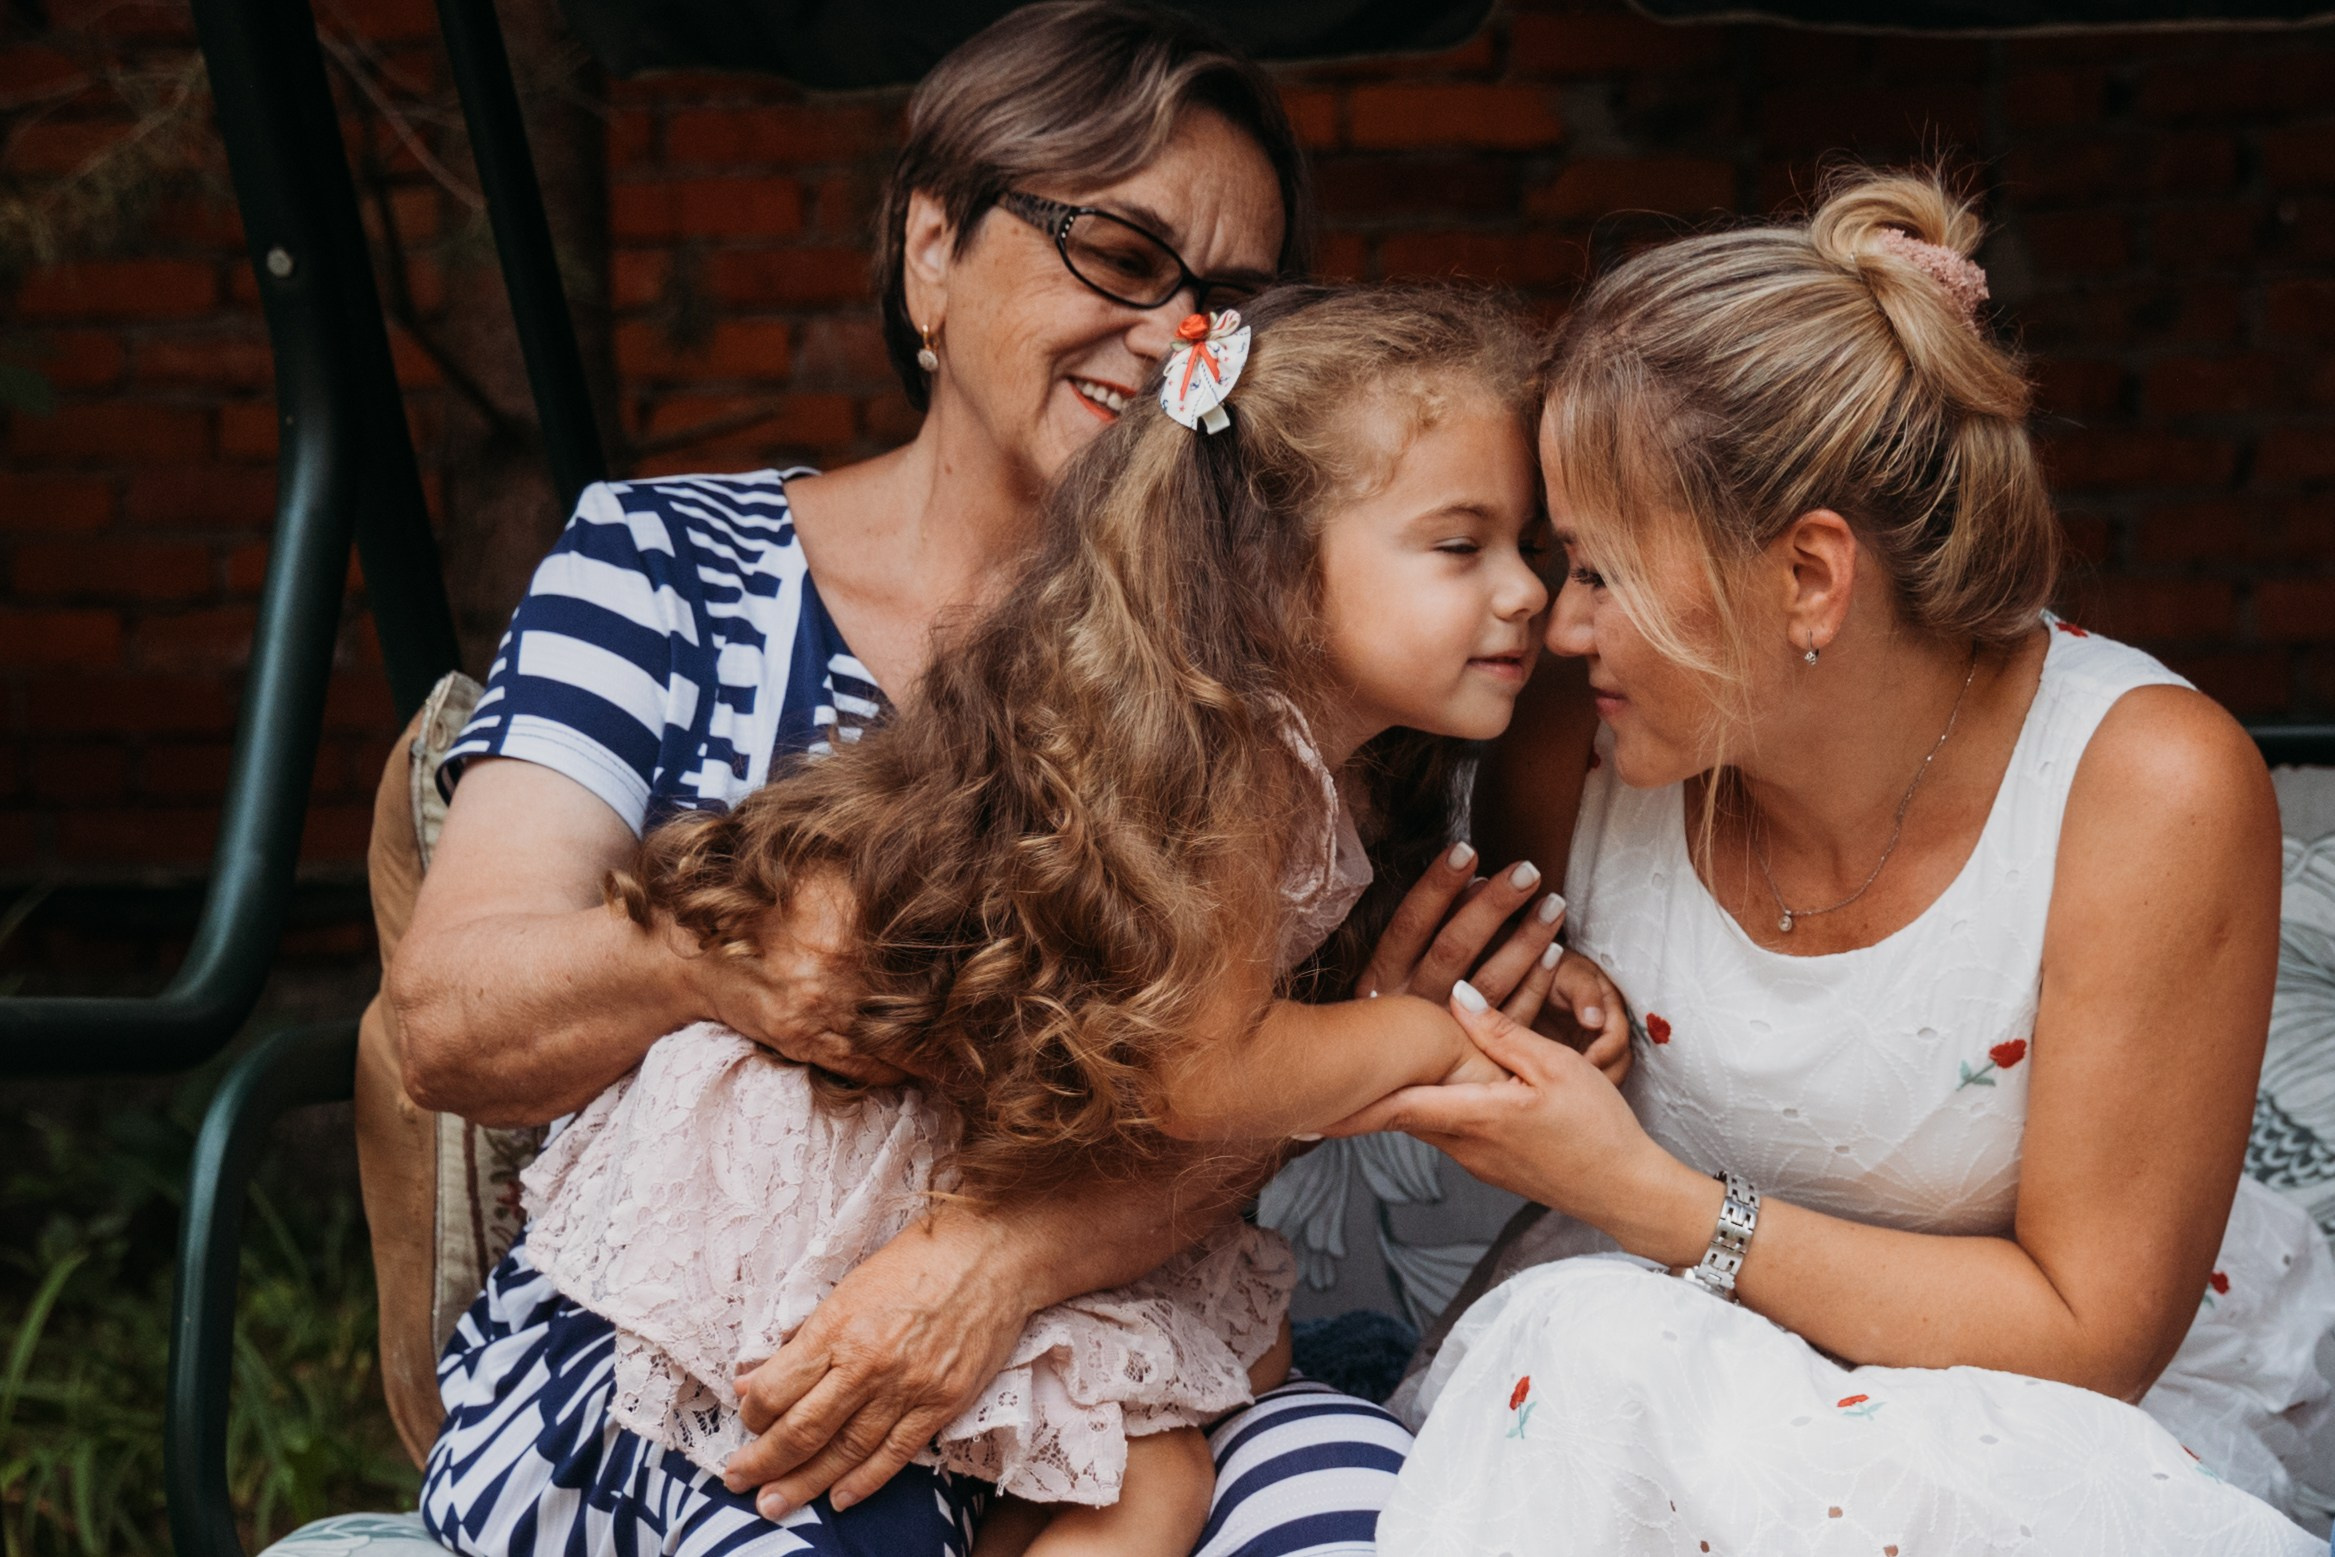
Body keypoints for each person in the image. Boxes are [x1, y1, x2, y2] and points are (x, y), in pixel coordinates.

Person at [384, 7, 1554, 1552]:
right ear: (929, 247)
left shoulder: (1294, 671)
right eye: (1123, 257)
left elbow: (1194, 1072)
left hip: (1086, 1333)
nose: (1174, 338)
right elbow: (448, 1018)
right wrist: (730, 947)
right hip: (713, 1343)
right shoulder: (663, 565)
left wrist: (1003, 1253)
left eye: (1231, 302)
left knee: (1328, 1491)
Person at [1339, 169, 2335, 1553]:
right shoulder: (1576, 735)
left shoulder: (2147, 786)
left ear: (1810, 575)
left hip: (2036, 1407)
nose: (1558, 625)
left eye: (1603, 569)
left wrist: (1646, 1195)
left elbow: (2086, 1331)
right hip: (1658, 1364)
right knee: (1590, 1347)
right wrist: (1473, 1020)